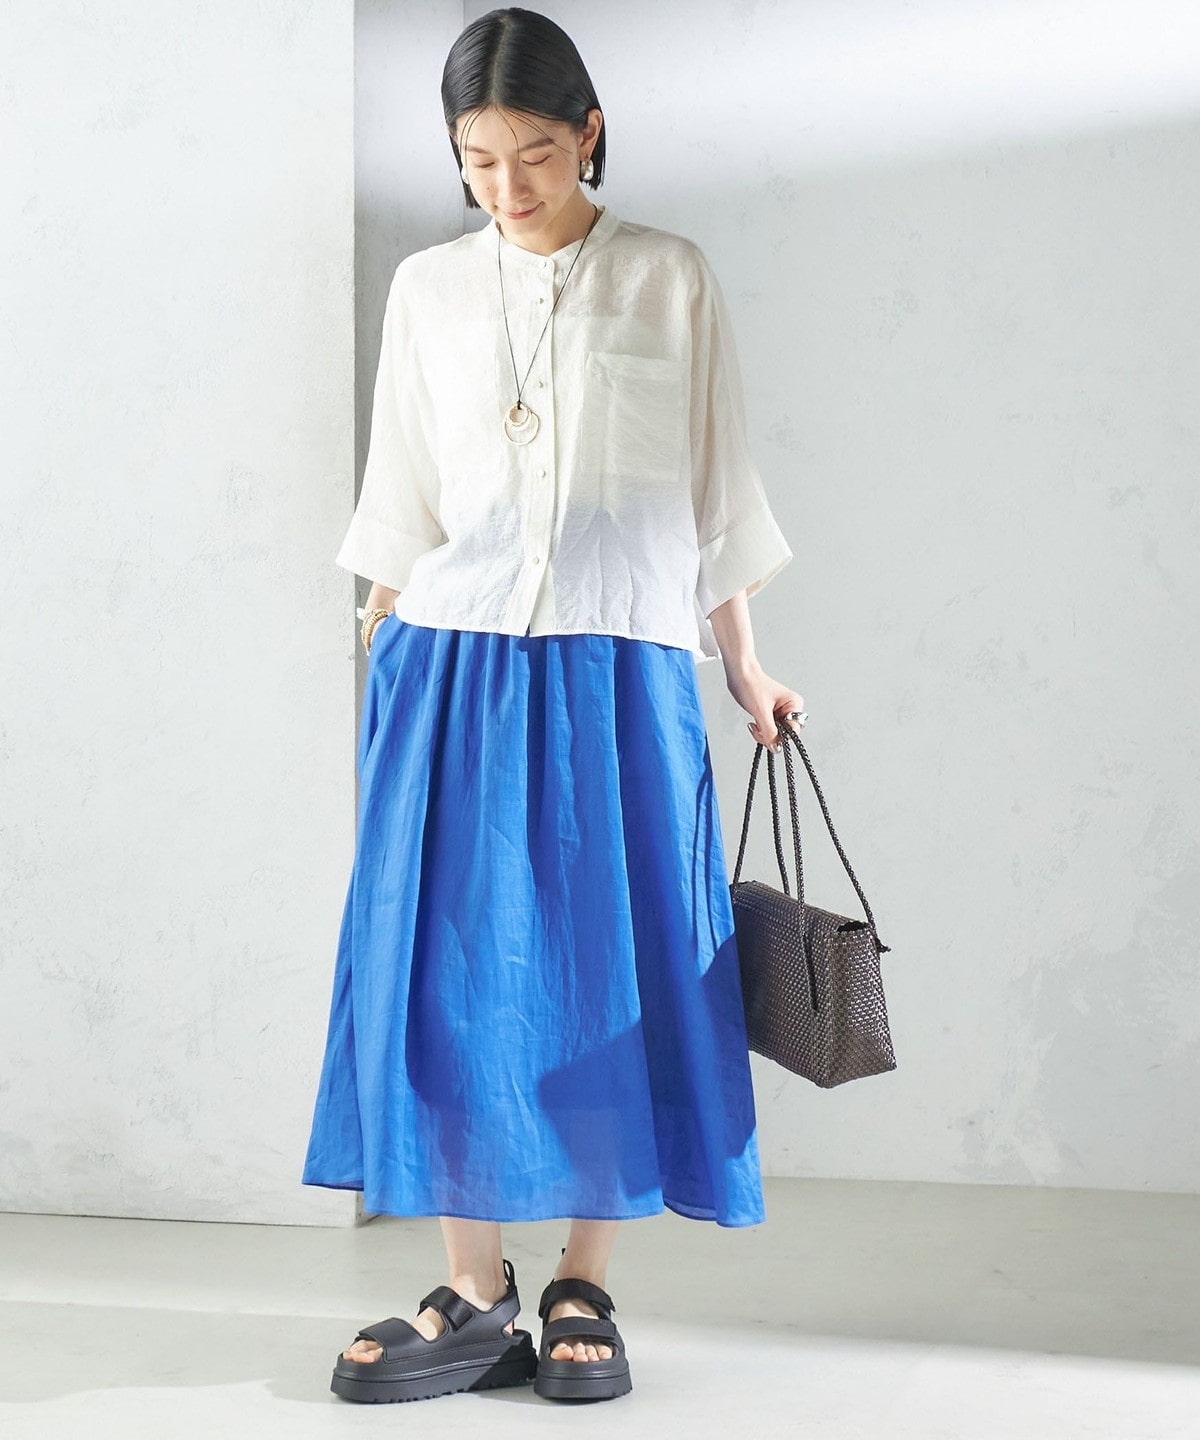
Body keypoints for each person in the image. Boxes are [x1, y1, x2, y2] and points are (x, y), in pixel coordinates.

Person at [301, 4, 805, 1407]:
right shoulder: (428, 290)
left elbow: (715, 491)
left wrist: (744, 664)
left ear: (589, 132)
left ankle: (585, 1276)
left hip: (619, 660)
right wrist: (380, 650)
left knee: (614, 966)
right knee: (446, 971)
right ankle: (475, 1288)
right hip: (449, 655)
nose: (508, 185)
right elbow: (400, 485)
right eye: (478, 159)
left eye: (533, 153)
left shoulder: (668, 278)